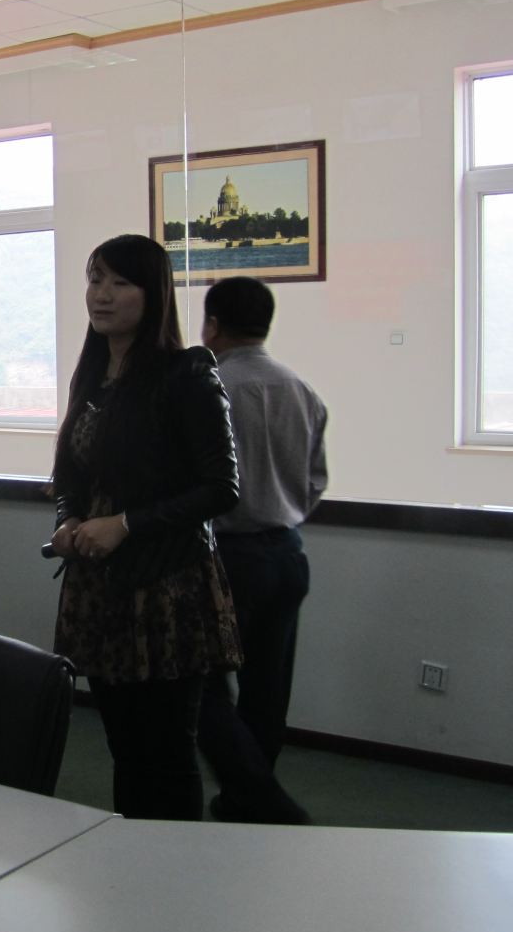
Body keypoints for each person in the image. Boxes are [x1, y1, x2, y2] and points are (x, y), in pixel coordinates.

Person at [50, 234, 242, 822]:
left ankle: (174, 867)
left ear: (153, 293)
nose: (102, 295)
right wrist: (68, 519)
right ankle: (131, 858)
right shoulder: (92, 374)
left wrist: (126, 525)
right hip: (101, 588)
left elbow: (222, 488)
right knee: (125, 749)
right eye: (95, 279)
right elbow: (70, 477)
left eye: (120, 282)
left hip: (165, 590)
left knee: (166, 753)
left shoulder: (185, 372)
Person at [197, 276, 327, 824]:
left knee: (200, 687)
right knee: (267, 691)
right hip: (287, 554)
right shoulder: (301, 389)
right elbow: (314, 482)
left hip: (226, 556)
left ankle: (262, 801)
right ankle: (246, 804)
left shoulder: (210, 388)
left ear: (212, 325)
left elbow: (192, 485)